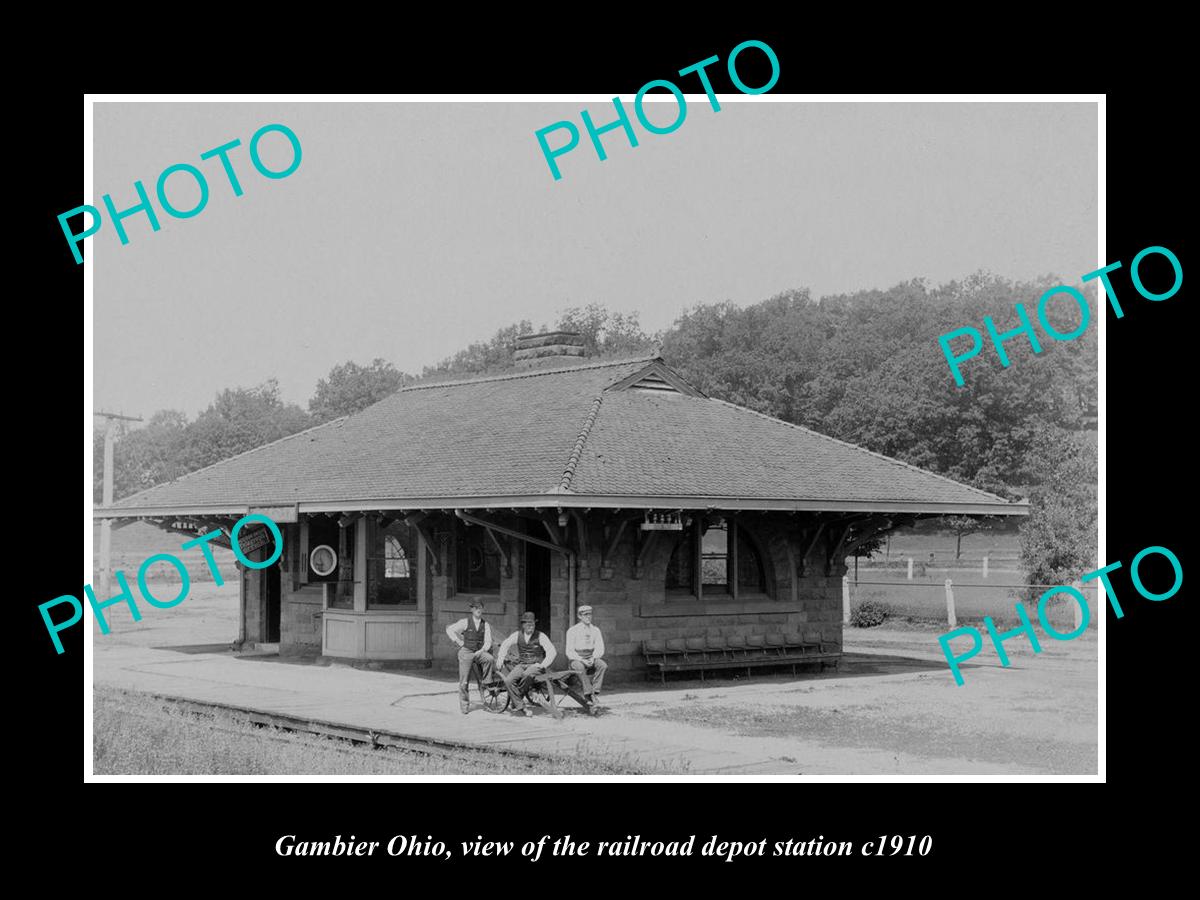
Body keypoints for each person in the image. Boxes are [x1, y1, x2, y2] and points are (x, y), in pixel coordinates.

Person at [495, 612, 557, 717]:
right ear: (523, 625)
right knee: (508, 680)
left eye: (532, 624)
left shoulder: (541, 636)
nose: (530, 626)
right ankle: (520, 704)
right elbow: (505, 644)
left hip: (535, 665)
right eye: (528, 624)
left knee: (527, 675)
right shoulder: (517, 635)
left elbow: (552, 651)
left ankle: (517, 700)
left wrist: (543, 665)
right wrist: (500, 658)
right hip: (522, 664)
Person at [445, 599, 494, 714]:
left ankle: (486, 682)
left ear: (483, 609)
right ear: (472, 609)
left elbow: (488, 642)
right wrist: (458, 641)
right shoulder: (465, 622)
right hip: (466, 652)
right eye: (476, 608)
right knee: (464, 681)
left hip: (478, 652)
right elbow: (450, 630)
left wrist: (481, 650)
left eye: (480, 608)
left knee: (489, 659)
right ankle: (464, 705)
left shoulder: (485, 624)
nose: (478, 610)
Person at [565, 605, 607, 707]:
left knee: (602, 665)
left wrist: (593, 658)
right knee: (579, 667)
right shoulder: (572, 630)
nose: (588, 617)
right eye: (585, 614)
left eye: (590, 614)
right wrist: (581, 659)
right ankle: (588, 695)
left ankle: (595, 692)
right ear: (579, 616)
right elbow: (569, 651)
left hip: (591, 657)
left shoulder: (595, 630)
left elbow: (600, 648)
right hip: (577, 658)